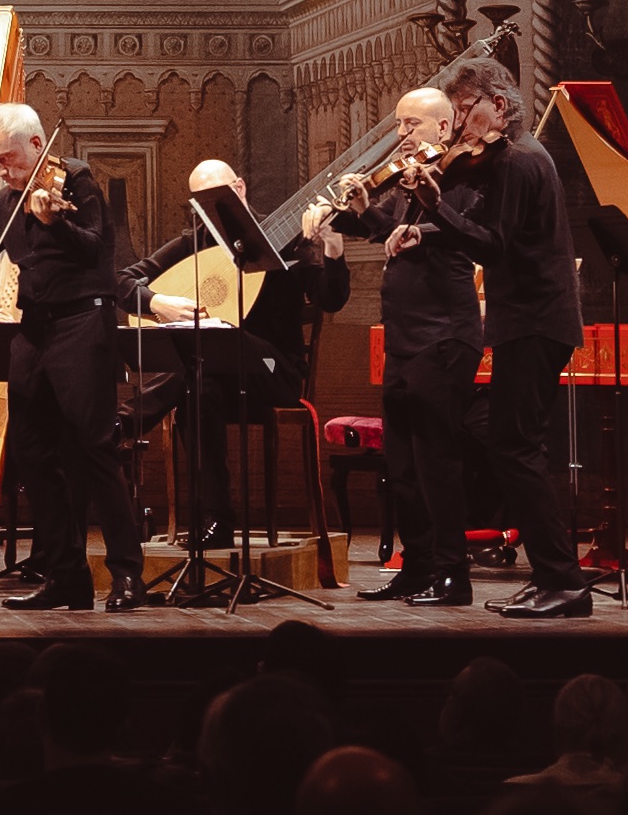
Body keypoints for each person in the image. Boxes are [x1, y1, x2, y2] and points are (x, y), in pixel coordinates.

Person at [0, 102, 146, 613]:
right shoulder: (8, 199)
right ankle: (67, 577)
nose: (3, 170)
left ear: (38, 146)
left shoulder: (77, 182)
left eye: (10, 159)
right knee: (33, 453)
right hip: (34, 329)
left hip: (84, 322)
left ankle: (128, 575)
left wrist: (54, 223)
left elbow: (93, 249)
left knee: (93, 449)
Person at [420, 57, 593, 616]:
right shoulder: (508, 158)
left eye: (466, 111)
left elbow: (492, 245)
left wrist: (434, 207)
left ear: (498, 103)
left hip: (536, 320)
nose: (462, 124)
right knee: (514, 448)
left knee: (515, 449)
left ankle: (563, 582)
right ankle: (553, 577)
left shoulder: (519, 160)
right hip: (530, 319)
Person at [130, 155, 349, 562]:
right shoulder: (193, 242)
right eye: (201, 202)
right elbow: (124, 281)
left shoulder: (283, 235)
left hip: (274, 372)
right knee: (199, 387)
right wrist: (158, 301)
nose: (212, 208)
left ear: (241, 188)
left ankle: (131, 417)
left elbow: (330, 300)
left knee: (225, 344)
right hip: (220, 379)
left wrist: (333, 249)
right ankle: (216, 520)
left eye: (221, 195)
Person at [335, 86, 479, 605]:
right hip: (404, 338)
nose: (400, 135)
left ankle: (452, 574)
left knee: (436, 462)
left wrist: (398, 216)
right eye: (398, 125)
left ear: (444, 128)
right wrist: (357, 210)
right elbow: (392, 233)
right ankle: (417, 567)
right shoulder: (404, 180)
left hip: (444, 335)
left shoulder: (461, 177)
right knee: (401, 464)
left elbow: (456, 233)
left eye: (411, 124)